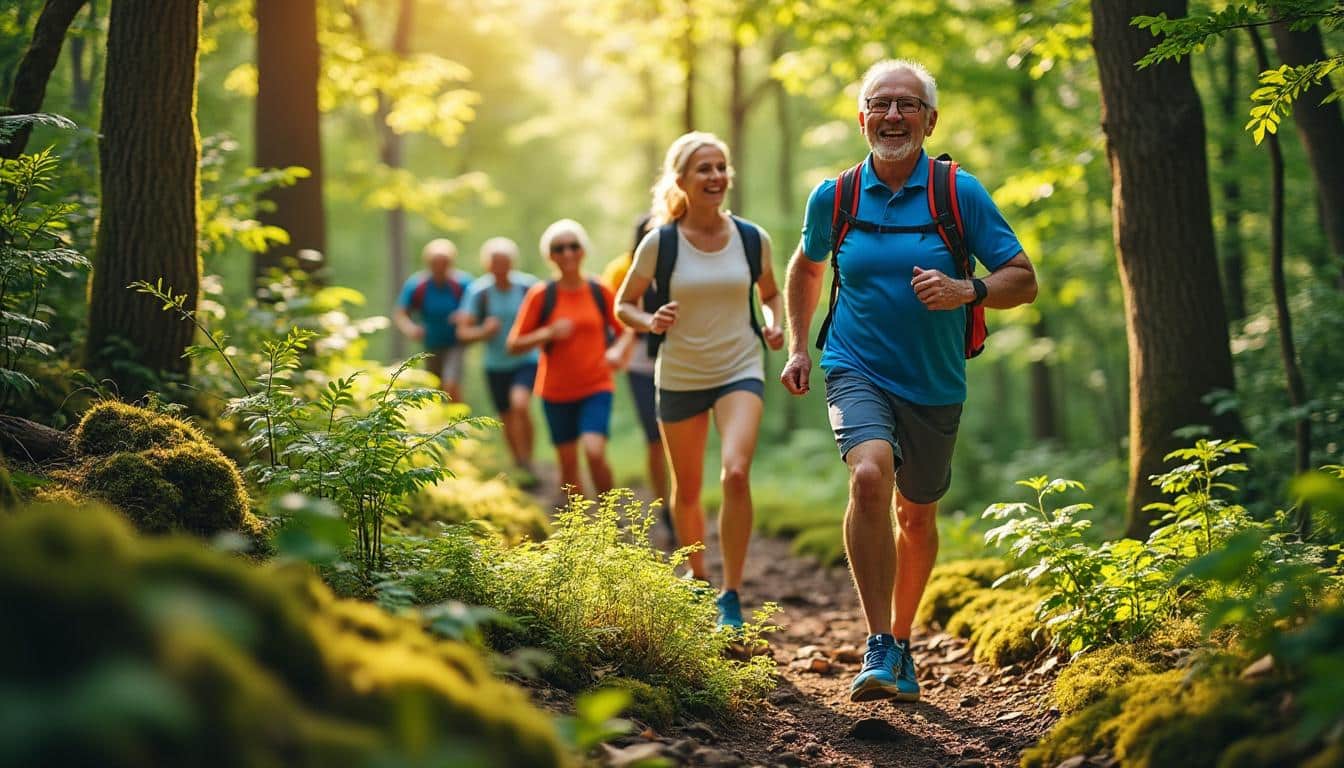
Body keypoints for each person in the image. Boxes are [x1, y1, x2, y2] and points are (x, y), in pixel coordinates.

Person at [779, 59, 1038, 703]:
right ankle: (879, 644)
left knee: (916, 516)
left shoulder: (958, 194)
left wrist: (966, 290)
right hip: (854, 364)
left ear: (930, 119)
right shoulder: (835, 197)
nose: (892, 116)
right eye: (881, 104)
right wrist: (799, 347)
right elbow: (807, 266)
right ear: (862, 117)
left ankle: (903, 637)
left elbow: (1023, 279)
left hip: (934, 381)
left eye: (907, 105)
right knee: (870, 476)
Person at [615, 132, 785, 631]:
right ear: (682, 180)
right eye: (704, 169)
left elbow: (771, 294)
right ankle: (699, 576)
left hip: (739, 368)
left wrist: (775, 324)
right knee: (686, 488)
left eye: (720, 167)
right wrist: (650, 321)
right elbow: (624, 304)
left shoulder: (752, 238)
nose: (715, 176)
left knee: (735, 473)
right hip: (681, 374)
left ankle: (731, 594)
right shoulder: (660, 242)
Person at [507, 219, 621, 500]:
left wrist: (618, 352)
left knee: (594, 452)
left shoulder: (600, 290)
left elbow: (625, 330)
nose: (567, 253)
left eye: (573, 246)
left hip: (596, 386)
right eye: (559, 248)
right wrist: (548, 332)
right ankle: (575, 522)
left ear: (583, 250)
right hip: (556, 391)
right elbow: (514, 345)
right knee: (568, 465)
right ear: (551, 256)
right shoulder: (541, 295)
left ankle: (611, 515)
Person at [601, 215, 672, 536]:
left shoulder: (682, 261)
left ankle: (681, 501)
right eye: (647, 234)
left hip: (680, 356)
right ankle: (665, 505)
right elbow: (611, 315)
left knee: (678, 435)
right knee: (655, 437)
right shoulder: (621, 270)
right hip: (640, 362)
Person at [457, 237, 541, 477]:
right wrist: (483, 331)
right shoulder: (479, 292)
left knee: (520, 404)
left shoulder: (528, 287)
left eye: (505, 263)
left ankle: (529, 459)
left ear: (513, 263)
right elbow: (463, 333)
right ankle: (519, 463)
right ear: (487, 265)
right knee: (505, 415)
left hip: (526, 359)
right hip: (495, 364)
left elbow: (546, 319)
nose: (500, 268)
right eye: (495, 263)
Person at [394, 239, 474, 402]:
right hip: (430, 343)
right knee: (434, 386)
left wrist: (464, 317)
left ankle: (459, 417)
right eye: (435, 263)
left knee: (451, 383)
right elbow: (401, 313)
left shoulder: (464, 284)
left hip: (456, 342)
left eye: (444, 263)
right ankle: (440, 418)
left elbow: (478, 309)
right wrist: (411, 329)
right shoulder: (417, 285)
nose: (440, 267)